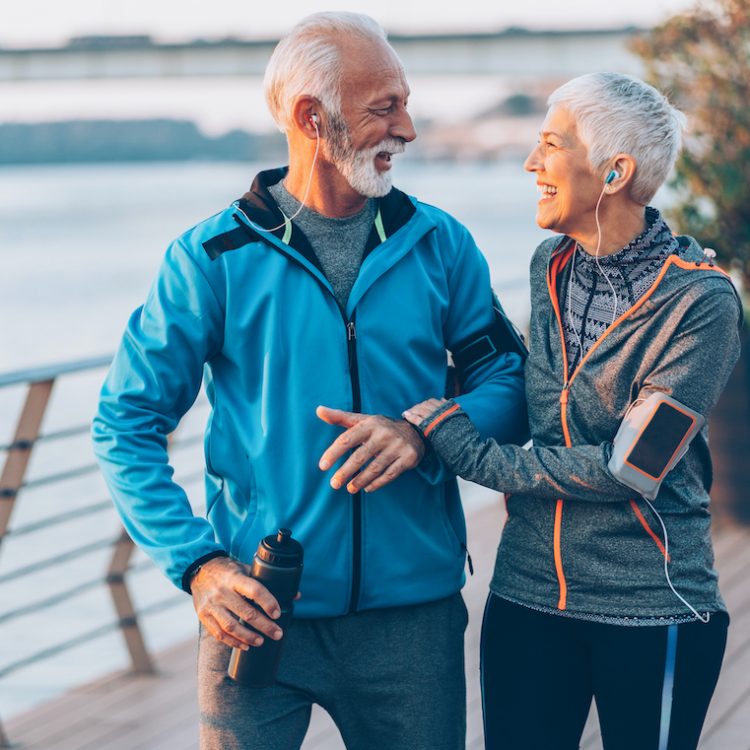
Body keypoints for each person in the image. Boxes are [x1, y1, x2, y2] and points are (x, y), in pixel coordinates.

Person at [91, 12, 527, 750]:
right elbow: (124, 425)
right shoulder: (211, 258)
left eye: (405, 102)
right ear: (310, 117)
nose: (409, 129)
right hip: (258, 615)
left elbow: (509, 380)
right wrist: (198, 566)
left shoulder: (439, 243)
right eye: (384, 108)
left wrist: (424, 432)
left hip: (411, 620)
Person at [323, 73, 743, 750]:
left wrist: (465, 449)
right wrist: (413, 409)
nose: (531, 164)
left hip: (652, 606)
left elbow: (633, 467)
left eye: (550, 145)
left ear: (615, 171)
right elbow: (534, 396)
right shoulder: (551, 265)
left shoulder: (702, 305)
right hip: (527, 598)